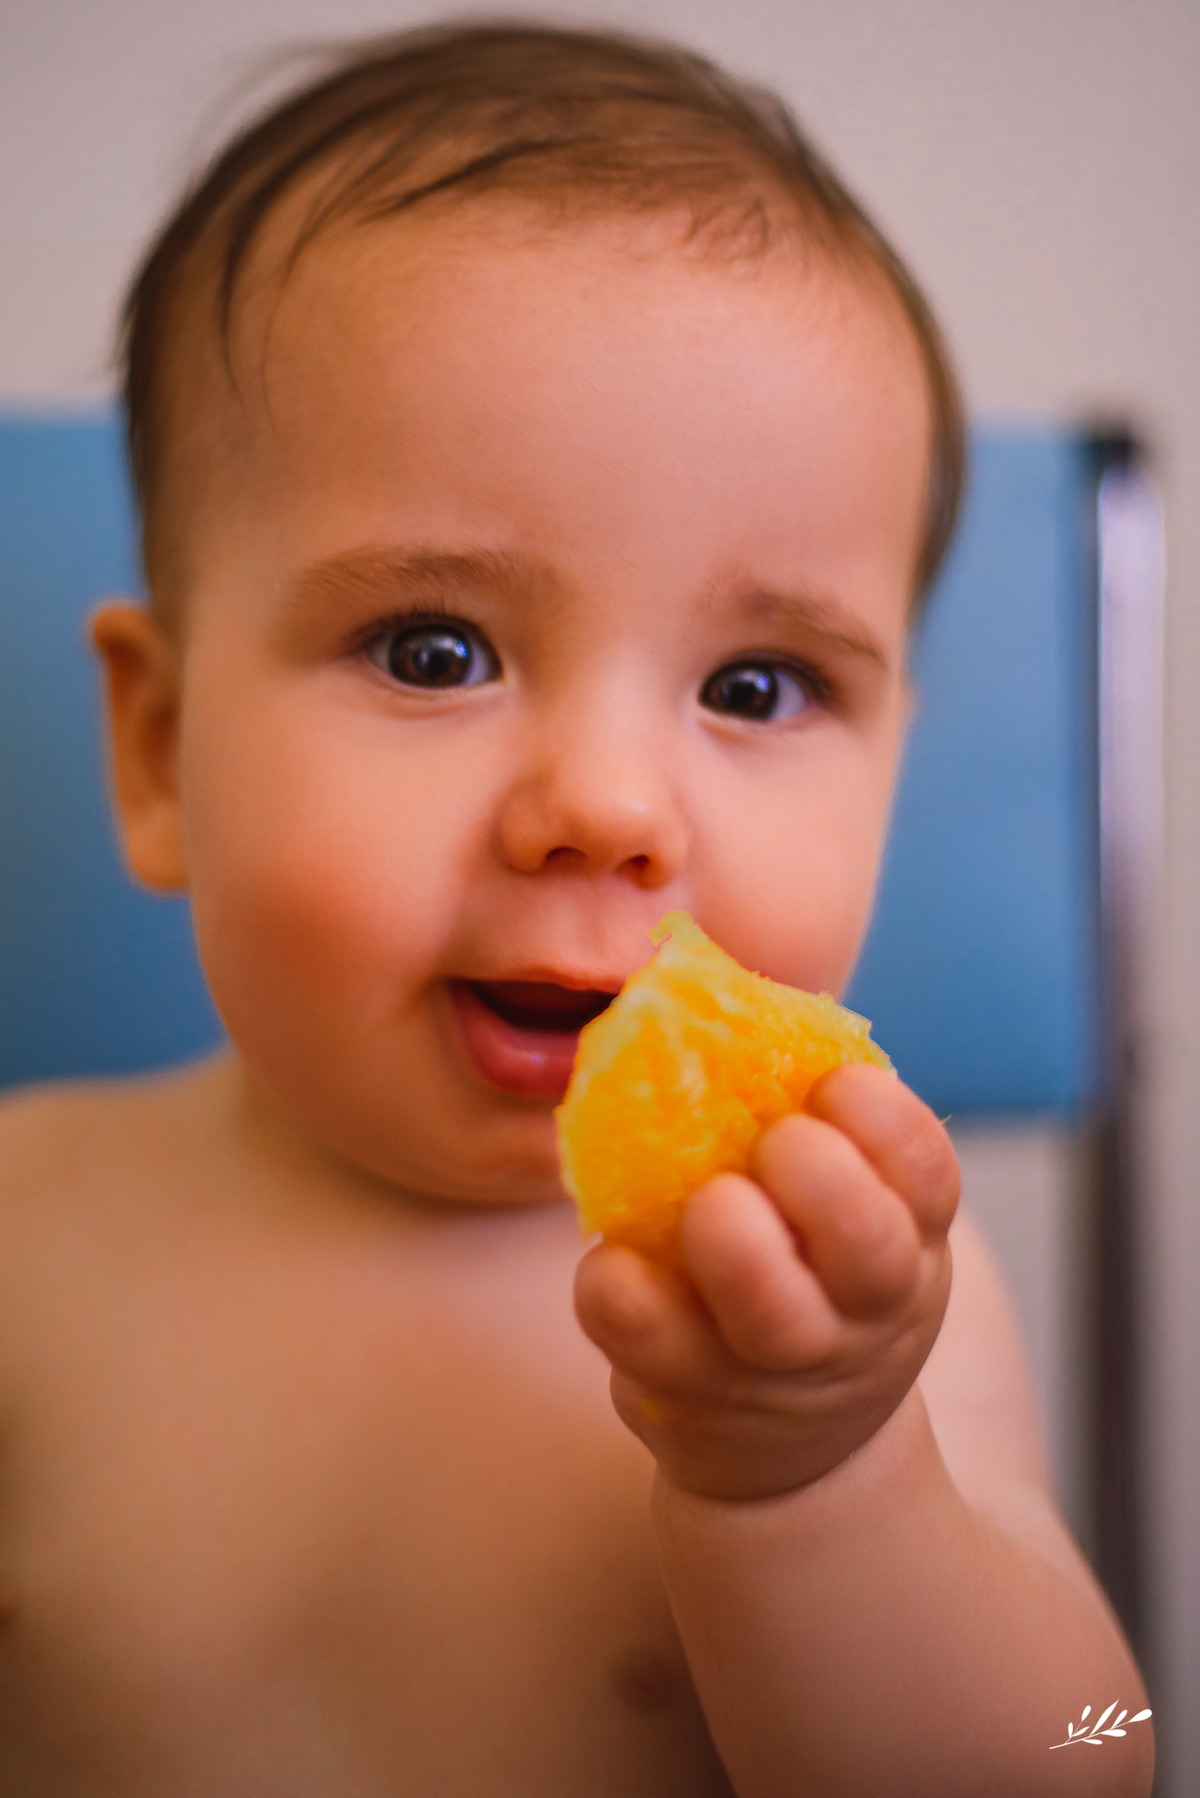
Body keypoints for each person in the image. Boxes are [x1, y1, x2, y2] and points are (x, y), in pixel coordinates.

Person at [0, 22, 1151, 1795]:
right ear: (160, 747)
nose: (610, 809)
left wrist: (822, 1477)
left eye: (759, 686)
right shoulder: (27, 1238)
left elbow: (1088, 1758)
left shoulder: (857, 1313)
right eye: (434, 649)